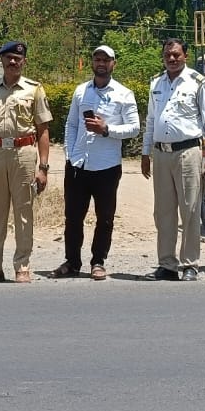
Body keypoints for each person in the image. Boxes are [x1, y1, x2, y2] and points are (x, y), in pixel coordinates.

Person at [52, 45, 140, 281]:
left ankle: (98, 261)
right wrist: (70, 154)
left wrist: (107, 129)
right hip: (78, 164)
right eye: (97, 59)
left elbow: (134, 128)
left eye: (106, 60)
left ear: (114, 64)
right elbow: (71, 124)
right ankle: (72, 262)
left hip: (107, 166)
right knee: (72, 217)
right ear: (92, 62)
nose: (101, 63)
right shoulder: (81, 91)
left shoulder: (124, 93)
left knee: (105, 218)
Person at [0, 40, 53, 284]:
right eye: (8, 58)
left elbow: (43, 130)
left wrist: (43, 167)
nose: (13, 62)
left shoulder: (34, 90)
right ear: (2, 61)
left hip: (24, 153)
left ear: (24, 61)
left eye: (18, 58)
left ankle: (22, 266)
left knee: (23, 211)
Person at [140, 38, 205, 281]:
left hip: (188, 153)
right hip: (161, 154)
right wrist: (145, 153)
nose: (172, 59)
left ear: (185, 55)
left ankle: (189, 264)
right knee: (163, 212)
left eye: (176, 54)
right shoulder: (156, 83)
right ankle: (167, 264)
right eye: (167, 55)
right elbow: (151, 121)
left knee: (190, 209)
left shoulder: (198, 82)